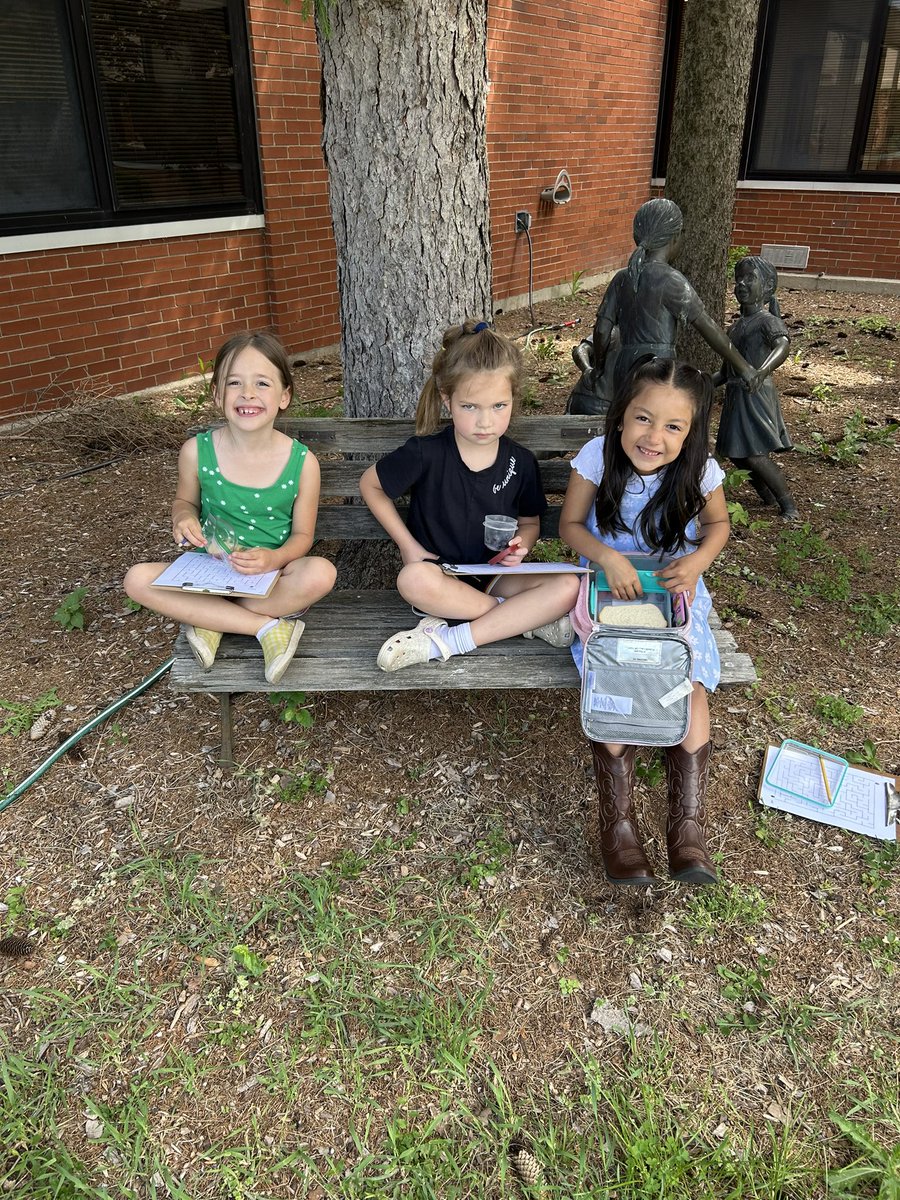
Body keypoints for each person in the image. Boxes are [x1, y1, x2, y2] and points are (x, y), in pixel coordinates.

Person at [559, 357, 730, 887]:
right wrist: (607, 557)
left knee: (691, 683)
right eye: (643, 418)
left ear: (690, 433)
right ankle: (619, 828)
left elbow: (718, 524)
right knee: (614, 681)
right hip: (608, 595)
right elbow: (569, 525)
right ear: (620, 417)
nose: (654, 436)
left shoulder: (699, 470)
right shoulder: (597, 457)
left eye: (673, 426)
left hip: (675, 597)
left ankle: (686, 827)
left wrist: (698, 561)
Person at [359, 319, 582, 671]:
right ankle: (522, 620)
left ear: (512, 400)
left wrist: (521, 545)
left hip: (494, 576)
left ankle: (453, 637)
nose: (485, 422)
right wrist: (408, 546)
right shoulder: (425, 453)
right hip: (440, 577)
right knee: (412, 579)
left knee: (569, 585)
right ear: (447, 400)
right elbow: (370, 485)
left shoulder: (519, 461)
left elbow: (530, 521)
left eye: (498, 406)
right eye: (470, 407)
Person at [124, 332, 336, 683]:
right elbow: (184, 501)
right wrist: (183, 517)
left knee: (321, 573)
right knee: (137, 579)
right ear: (218, 395)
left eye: (262, 383)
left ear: (284, 396)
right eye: (234, 382)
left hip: (271, 581)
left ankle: (211, 620)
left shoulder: (303, 463)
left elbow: (302, 536)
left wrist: (274, 558)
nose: (248, 393)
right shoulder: (196, 451)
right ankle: (267, 629)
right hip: (213, 572)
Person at [566, 198, 755, 415]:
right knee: (654, 418)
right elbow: (708, 327)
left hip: (624, 365)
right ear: (674, 237)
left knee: (627, 418)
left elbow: (601, 329)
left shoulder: (622, 278)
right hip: (657, 365)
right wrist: (744, 367)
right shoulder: (671, 280)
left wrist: (599, 367)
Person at [713, 256, 798, 520]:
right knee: (737, 455)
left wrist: (762, 372)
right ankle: (767, 496)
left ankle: (788, 505)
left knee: (755, 454)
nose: (741, 284)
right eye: (738, 278)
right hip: (736, 395)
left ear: (768, 286)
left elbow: (782, 345)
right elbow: (726, 371)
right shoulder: (736, 327)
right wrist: (704, 382)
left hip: (756, 395)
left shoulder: (766, 321)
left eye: (750, 278)